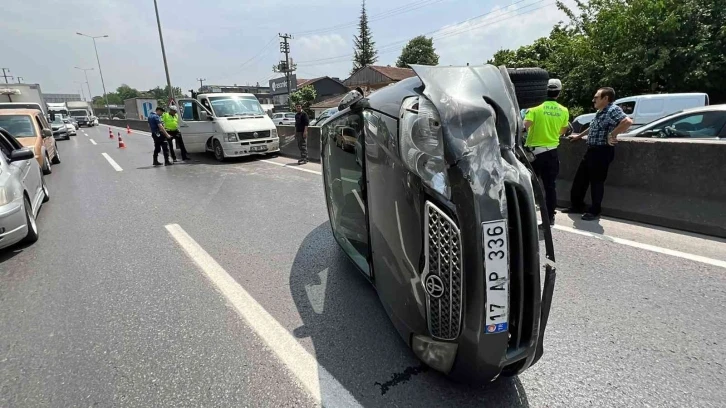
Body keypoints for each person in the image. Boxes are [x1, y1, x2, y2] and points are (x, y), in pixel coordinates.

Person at [564, 87, 633, 220]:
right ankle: (577, 206)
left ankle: (595, 210)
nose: (593, 100)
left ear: (605, 98)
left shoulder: (613, 110)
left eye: (596, 97)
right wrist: (579, 136)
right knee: (581, 179)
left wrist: (613, 134)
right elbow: (593, 126)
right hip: (592, 150)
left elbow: (628, 121)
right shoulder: (600, 112)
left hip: (602, 151)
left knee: (596, 182)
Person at [523, 78, 570, 226]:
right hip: (551, 153)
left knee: (528, 186)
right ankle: (550, 218)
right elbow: (562, 131)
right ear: (559, 93)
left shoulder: (534, 109)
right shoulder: (564, 110)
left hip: (533, 155)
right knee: (550, 187)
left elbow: (524, 127)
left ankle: (526, 218)